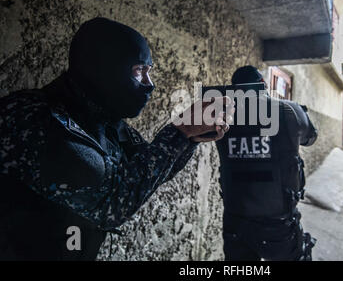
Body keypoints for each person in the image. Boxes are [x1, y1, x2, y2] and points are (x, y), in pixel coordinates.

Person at [0, 17, 233, 260]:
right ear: (105, 68)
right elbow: (113, 201)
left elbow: (147, 169)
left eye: (148, 72)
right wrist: (182, 132)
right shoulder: (37, 119)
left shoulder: (101, 117)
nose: (149, 85)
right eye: (139, 71)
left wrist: (190, 138)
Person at [215, 65, 318, 261]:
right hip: (277, 222)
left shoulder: (220, 116)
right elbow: (310, 138)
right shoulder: (289, 110)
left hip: (235, 219)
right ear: (263, 85)